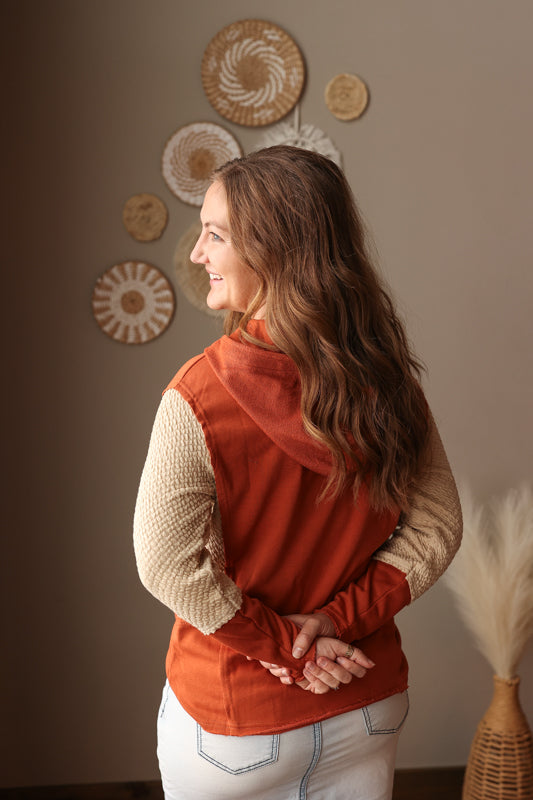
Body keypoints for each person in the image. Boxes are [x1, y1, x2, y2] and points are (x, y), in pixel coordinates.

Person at [133, 145, 462, 800]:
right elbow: (438, 525)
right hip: (363, 705)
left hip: (235, 724)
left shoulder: (196, 396)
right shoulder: (386, 380)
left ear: (274, 250)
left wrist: (284, 646)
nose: (198, 253)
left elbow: (166, 565)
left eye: (214, 234)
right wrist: (334, 624)